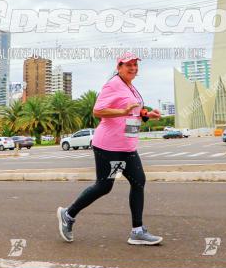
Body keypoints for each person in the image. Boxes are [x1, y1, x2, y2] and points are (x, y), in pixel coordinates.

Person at [56, 53, 163, 245]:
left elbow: (133, 110)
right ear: (119, 67)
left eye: (135, 65)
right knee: (104, 186)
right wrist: (121, 112)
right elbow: (98, 110)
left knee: (138, 182)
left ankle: (137, 231)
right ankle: (68, 214)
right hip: (109, 145)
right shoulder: (112, 84)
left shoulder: (130, 86)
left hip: (127, 145)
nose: (133, 68)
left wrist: (147, 114)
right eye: (128, 65)